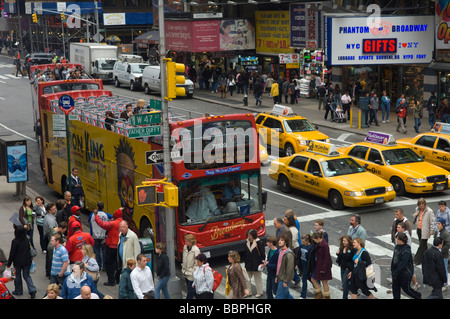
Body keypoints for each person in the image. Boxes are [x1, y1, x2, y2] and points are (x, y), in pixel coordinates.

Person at [94, 208, 123, 286]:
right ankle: (117, 279)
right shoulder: (123, 223)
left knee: (109, 264)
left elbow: (102, 224)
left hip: (111, 246)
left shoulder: (113, 223)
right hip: (119, 246)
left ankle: (111, 280)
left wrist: (96, 216)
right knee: (118, 263)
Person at [6, 226, 37, 298]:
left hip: (17, 262)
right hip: (27, 261)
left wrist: (8, 263)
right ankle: (32, 290)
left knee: (17, 276)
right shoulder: (27, 239)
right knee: (26, 275)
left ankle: (18, 290)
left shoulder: (15, 241)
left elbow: (12, 253)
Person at [391, 232, 421, 299]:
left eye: (398, 239)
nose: (396, 240)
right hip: (396, 272)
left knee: (406, 289)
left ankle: (418, 296)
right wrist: (392, 269)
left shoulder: (406, 250)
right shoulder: (397, 246)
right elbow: (394, 259)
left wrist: (396, 272)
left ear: (402, 240)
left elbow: (403, 263)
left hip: (405, 273)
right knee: (395, 289)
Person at [89, 202, 112, 271]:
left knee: (97, 251)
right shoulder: (107, 215)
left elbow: (89, 223)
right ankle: (104, 266)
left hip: (95, 236)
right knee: (104, 252)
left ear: (97, 207)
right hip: (103, 237)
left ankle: (98, 265)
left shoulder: (91, 215)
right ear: (103, 207)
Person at [243, 228, 265, 298]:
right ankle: (248, 292)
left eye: (250, 235)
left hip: (257, 263)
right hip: (248, 263)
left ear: (253, 236)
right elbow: (245, 253)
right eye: (248, 235)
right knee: (247, 278)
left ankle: (260, 292)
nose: (248, 237)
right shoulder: (246, 242)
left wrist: (262, 263)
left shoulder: (259, 243)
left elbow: (262, 254)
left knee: (257, 278)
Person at [310, 231, 332, 299]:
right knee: (313, 279)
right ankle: (320, 294)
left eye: (315, 240)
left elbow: (326, 258)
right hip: (319, 265)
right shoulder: (319, 244)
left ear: (319, 238)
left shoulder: (325, 245)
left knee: (324, 282)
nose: (314, 241)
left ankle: (326, 296)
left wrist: (324, 268)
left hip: (323, 267)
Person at [413, 198, 435, 265]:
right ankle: (427, 258)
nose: (421, 205)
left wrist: (431, 230)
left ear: (425, 204)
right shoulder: (417, 209)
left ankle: (417, 259)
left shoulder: (429, 211)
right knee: (424, 246)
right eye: (420, 204)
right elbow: (416, 218)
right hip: (419, 229)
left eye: (422, 204)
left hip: (425, 230)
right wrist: (415, 215)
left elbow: (432, 222)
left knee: (421, 245)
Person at [275, 233, 295, 299]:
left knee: (278, 297)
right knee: (286, 295)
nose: (279, 241)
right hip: (280, 277)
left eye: (282, 240)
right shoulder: (280, 251)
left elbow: (289, 269)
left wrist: (286, 281)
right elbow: (279, 265)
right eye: (279, 240)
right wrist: (277, 276)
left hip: (284, 279)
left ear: (285, 242)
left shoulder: (289, 254)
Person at [181, 233, 200, 299]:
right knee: (193, 291)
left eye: (186, 241)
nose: (185, 242)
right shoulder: (185, 248)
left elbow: (197, 263)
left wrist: (192, 272)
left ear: (191, 241)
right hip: (185, 272)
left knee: (190, 292)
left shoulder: (196, 250)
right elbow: (184, 259)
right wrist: (183, 267)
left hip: (191, 274)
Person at [336, 235, 354, 299]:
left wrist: (350, 269)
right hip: (342, 267)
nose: (343, 242)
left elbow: (350, 259)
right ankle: (354, 290)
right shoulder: (341, 247)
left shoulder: (351, 249)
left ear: (349, 241)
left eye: (345, 241)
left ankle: (345, 297)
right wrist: (338, 254)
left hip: (347, 269)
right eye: (343, 241)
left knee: (345, 284)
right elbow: (340, 257)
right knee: (344, 284)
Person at [434, 218, 450, 288]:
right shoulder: (437, 231)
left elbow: (448, 244)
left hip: (443, 255)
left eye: (439, 224)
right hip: (437, 254)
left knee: (444, 269)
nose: (437, 225)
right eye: (437, 223)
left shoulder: (446, 234)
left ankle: (445, 284)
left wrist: (440, 250)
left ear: (443, 225)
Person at [298, 234, 313, 299]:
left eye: (304, 242)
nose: (302, 243)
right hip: (302, 265)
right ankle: (317, 287)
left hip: (308, 266)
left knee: (305, 279)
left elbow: (311, 259)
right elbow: (298, 255)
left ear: (307, 241)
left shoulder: (311, 247)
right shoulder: (301, 246)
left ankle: (303, 295)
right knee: (308, 278)